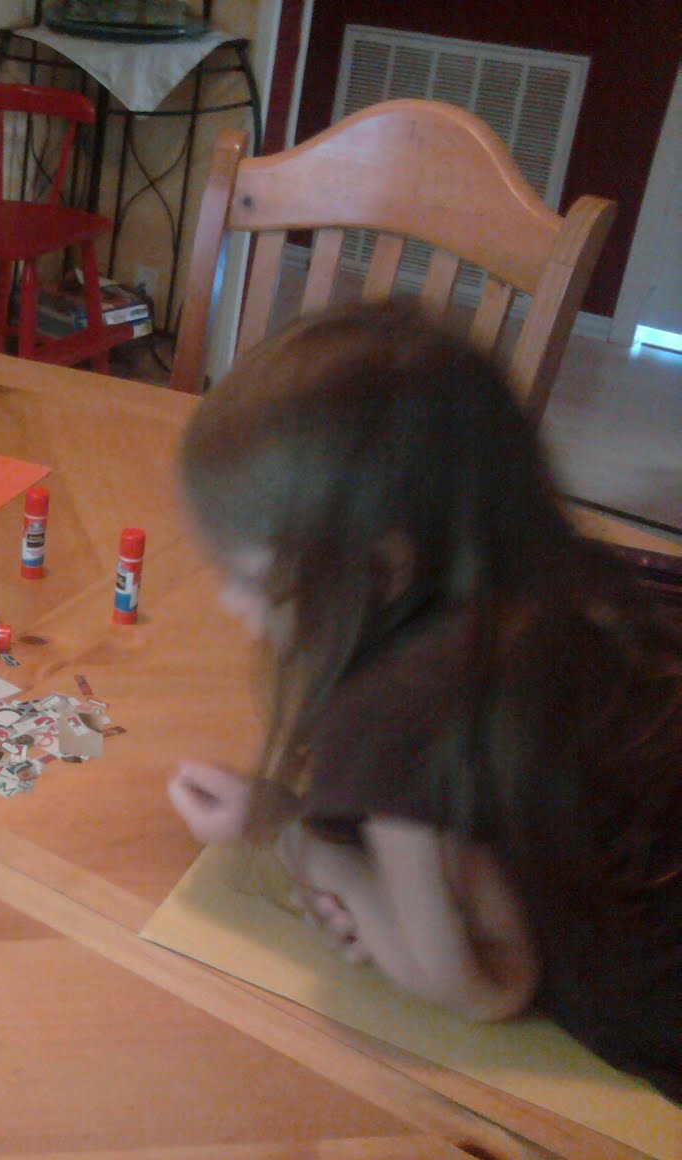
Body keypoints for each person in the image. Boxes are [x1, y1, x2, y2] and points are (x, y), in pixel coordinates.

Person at [166, 302, 682, 1109]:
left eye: (249, 579)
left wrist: (301, 839)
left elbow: (485, 983)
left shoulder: (399, 708)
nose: (229, 604)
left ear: (381, 567)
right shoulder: (548, 575)